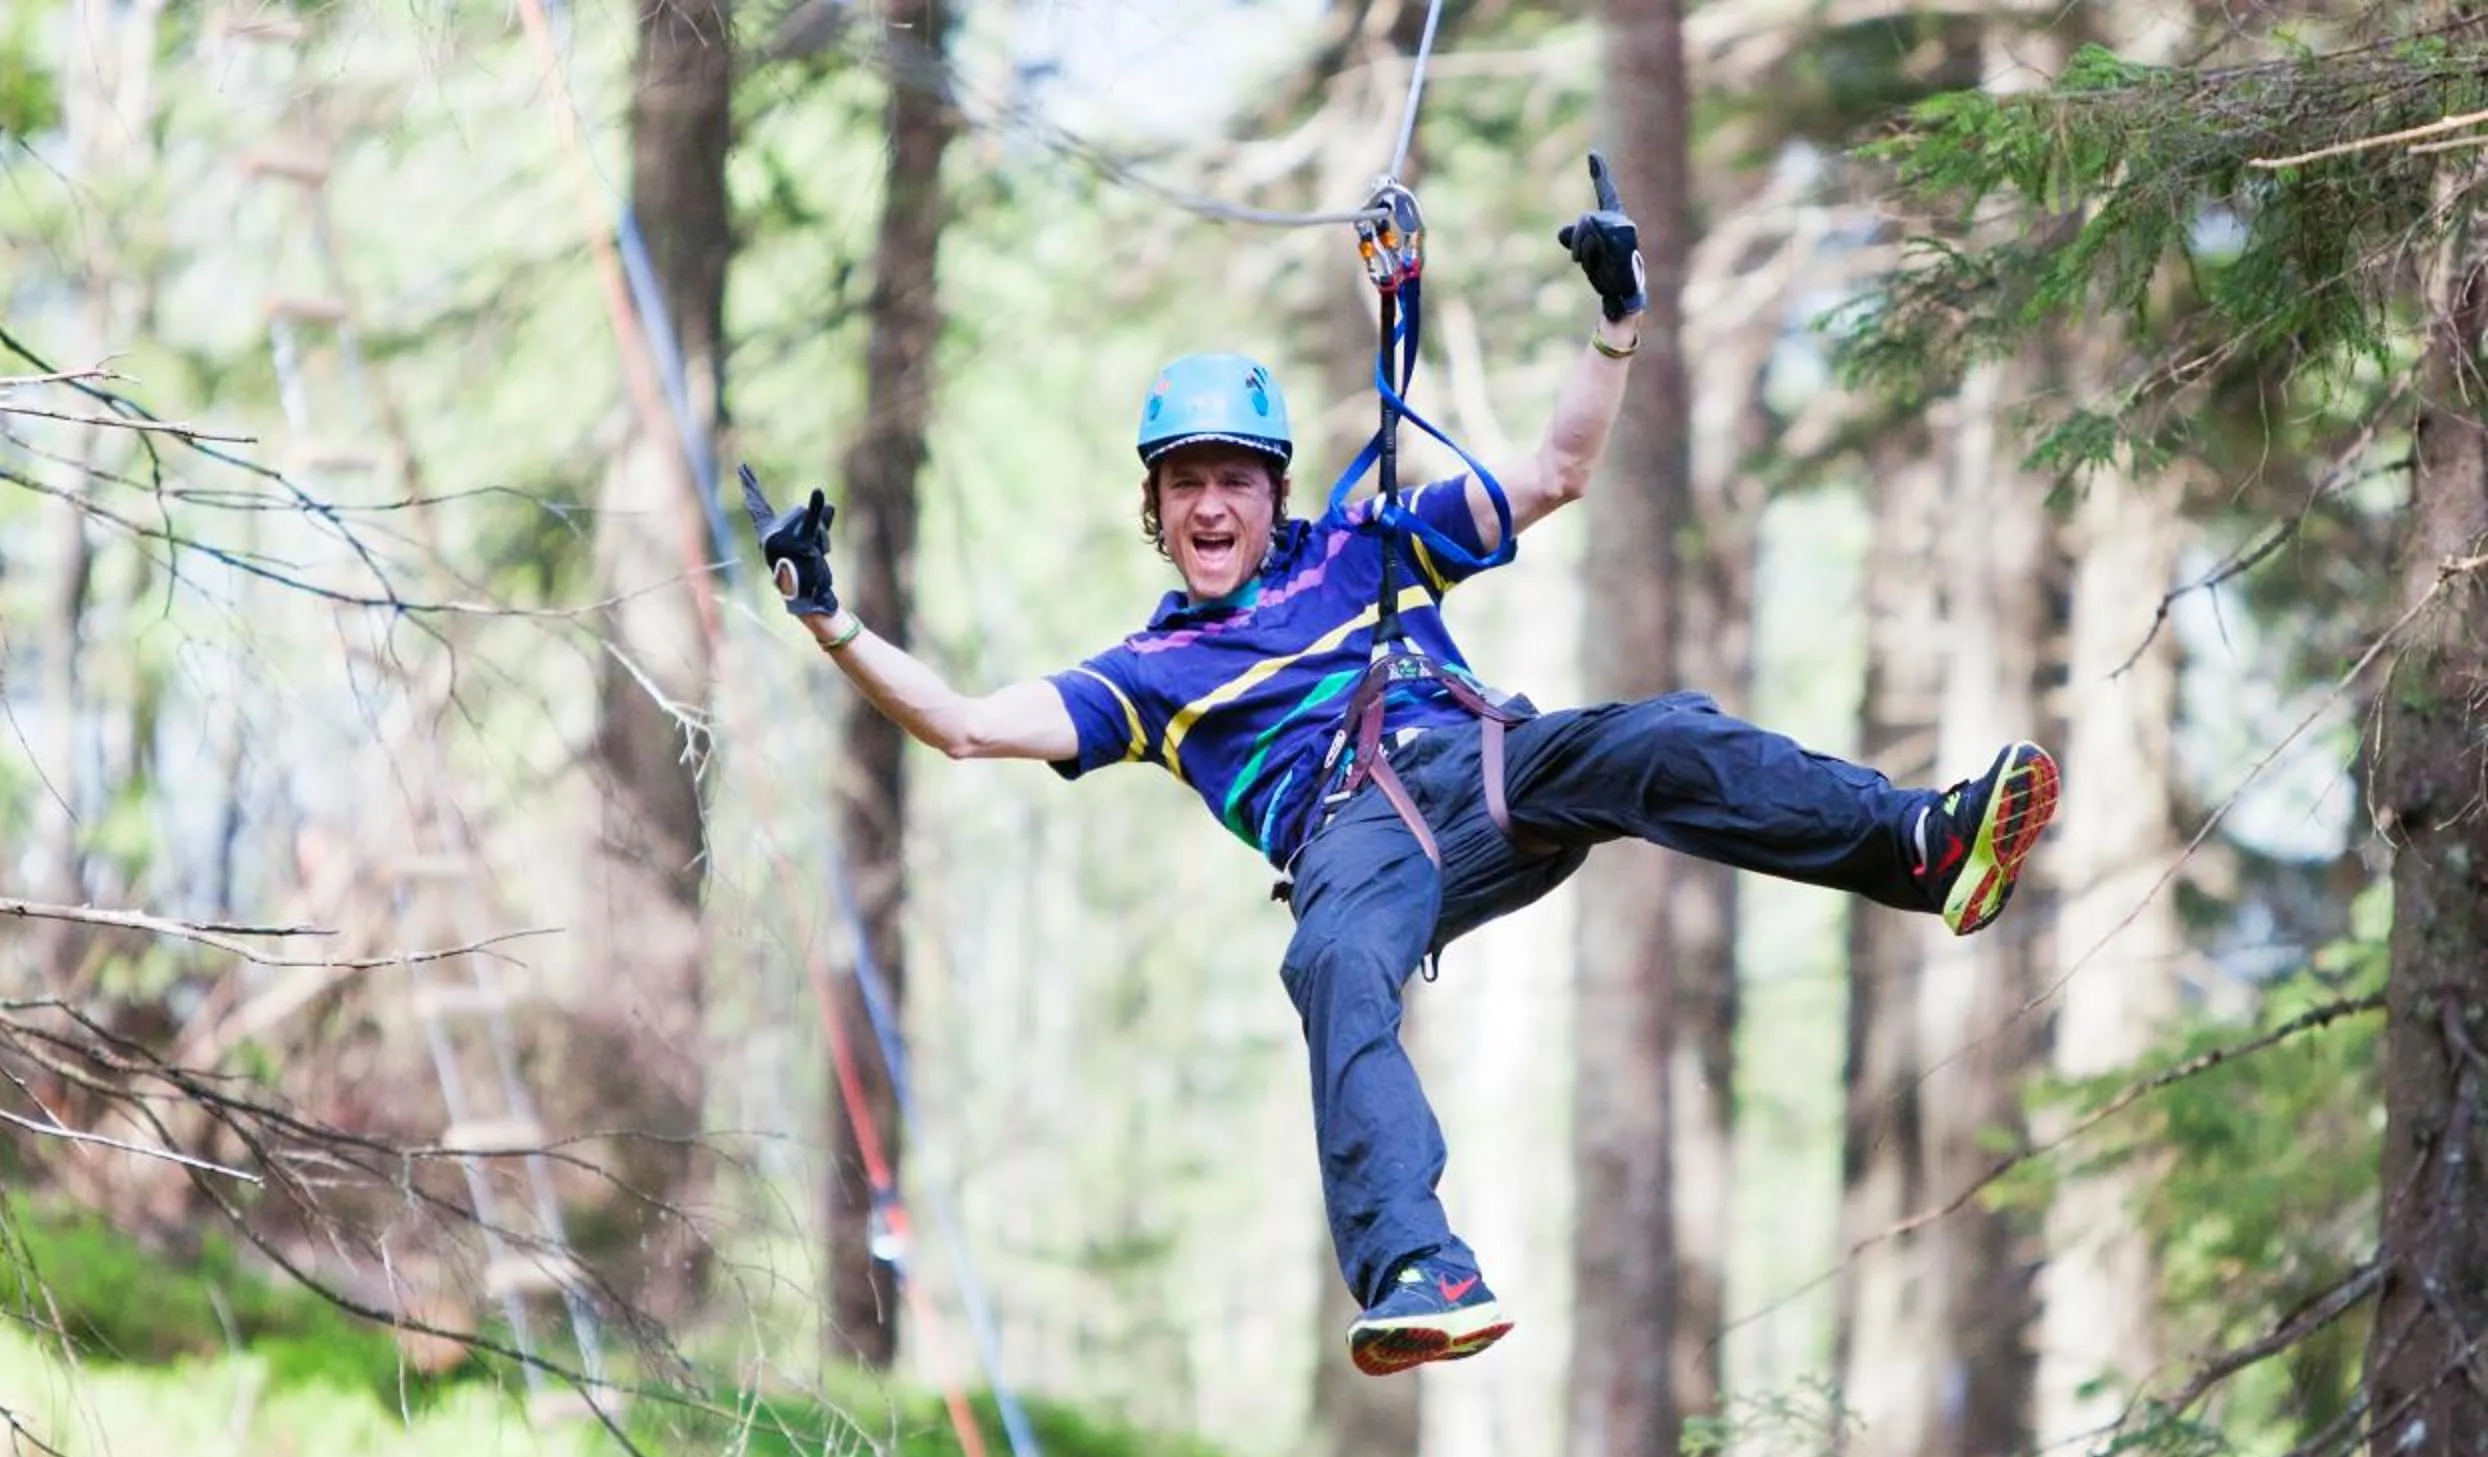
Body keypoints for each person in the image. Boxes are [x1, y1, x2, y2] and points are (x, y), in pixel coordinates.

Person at [738, 159, 2059, 1382]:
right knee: (1331, 963)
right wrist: (829, 620)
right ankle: (1417, 1265)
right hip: (1356, 835)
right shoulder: (1145, 674)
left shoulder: (1367, 547)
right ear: (1154, 510)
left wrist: (1615, 319)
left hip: (1486, 762)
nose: (1209, 507)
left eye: (1233, 482)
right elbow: (964, 723)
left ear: (1272, 494)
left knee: (1662, 736)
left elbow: (1554, 474)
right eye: (1185, 485)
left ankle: (1923, 850)